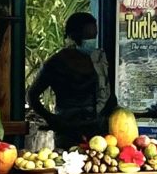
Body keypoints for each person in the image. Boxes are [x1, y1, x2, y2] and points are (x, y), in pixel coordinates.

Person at [28, 10, 108, 146]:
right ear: (74, 36)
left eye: (95, 36)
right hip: (67, 132)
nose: (93, 41)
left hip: (96, 132)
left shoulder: (98, 61)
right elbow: (31, 96)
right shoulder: (55, 63)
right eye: (88, 36)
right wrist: (52, 119)